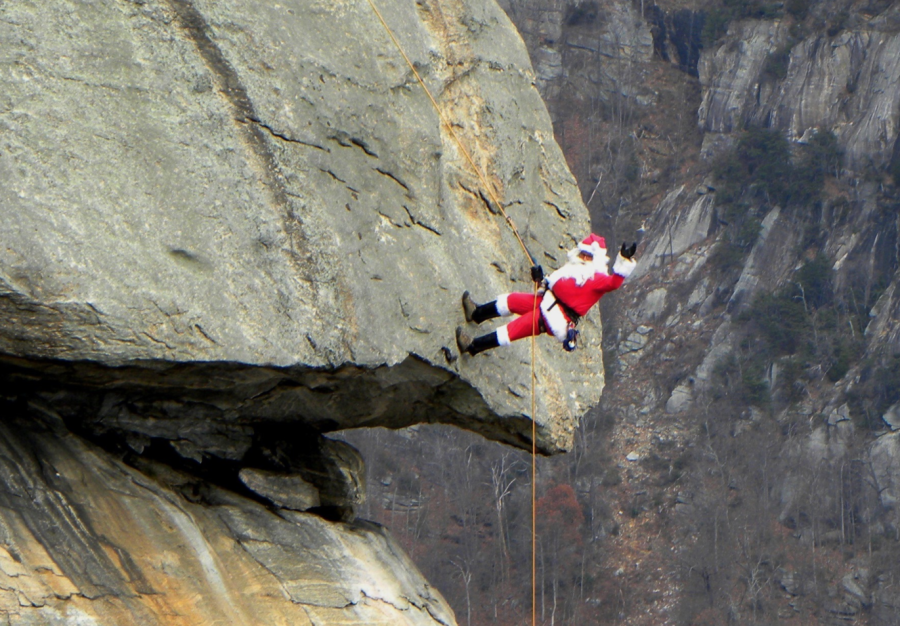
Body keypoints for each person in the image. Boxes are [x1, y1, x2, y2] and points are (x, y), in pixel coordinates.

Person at [456, 234, 637, 355]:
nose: (583, 258)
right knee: (511, 301)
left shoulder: (597, 278)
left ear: (595, 259)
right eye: (582, 253)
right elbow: (552, 284)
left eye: (588, 256)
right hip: (547, 300)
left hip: (554, 317)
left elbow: (614, 283)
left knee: (513, 329)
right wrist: (540, 278)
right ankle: (475, 314)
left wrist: (624, 261)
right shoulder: (573, 269)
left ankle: (472, 346)